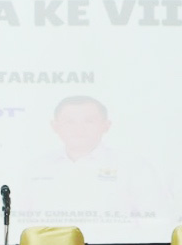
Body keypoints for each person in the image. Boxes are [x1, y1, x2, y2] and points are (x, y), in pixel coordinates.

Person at [15, 95, 171, 230]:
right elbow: (19, 220)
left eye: (89, 121)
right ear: (55, 126)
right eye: (69, 122)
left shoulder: (134, 166)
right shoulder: (36, 167)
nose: (79, 129)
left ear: (106, 126)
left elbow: (158, 219)